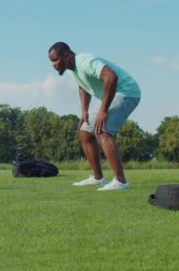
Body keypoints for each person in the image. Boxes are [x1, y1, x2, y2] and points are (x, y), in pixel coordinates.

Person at [48, 42, 141, 191]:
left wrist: (103, 111)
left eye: (55, 60)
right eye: (51, 62)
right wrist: (84, 112)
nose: (53, 64)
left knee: (102, 129)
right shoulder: (72, 71)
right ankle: (98, 178)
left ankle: (120, 181)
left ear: (66, 55)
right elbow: (83, 86)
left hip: (127, 93)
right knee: (85, 132)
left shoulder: (85, 61)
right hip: (113, 95)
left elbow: (111, 78)